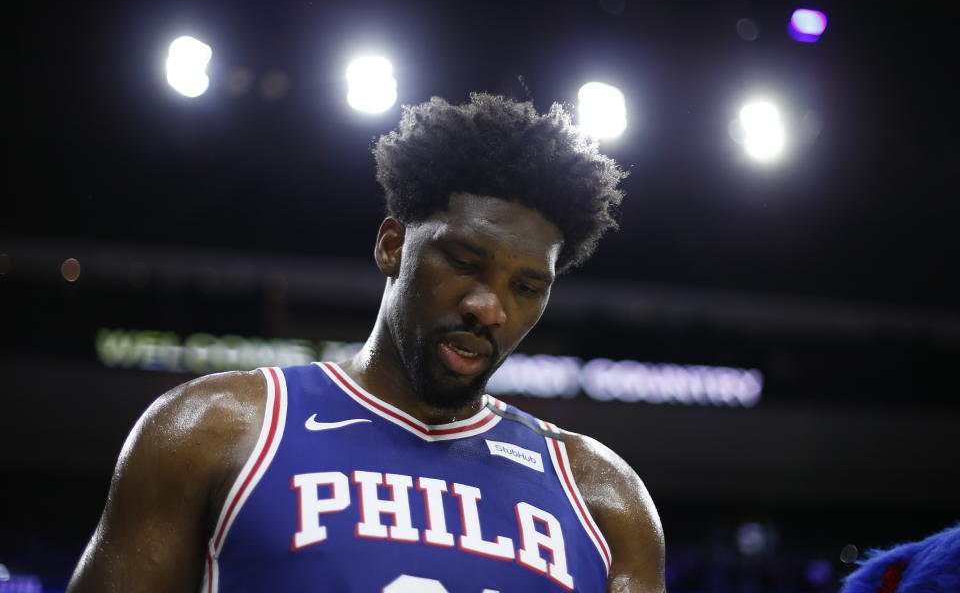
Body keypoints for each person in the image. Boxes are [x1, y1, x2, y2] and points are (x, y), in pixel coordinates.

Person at [68, 93, 665, 592]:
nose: (489, 306)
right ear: (392, 246)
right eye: (462, 260)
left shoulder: (603, 499)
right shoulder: (213, 429)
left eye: (528, 286)